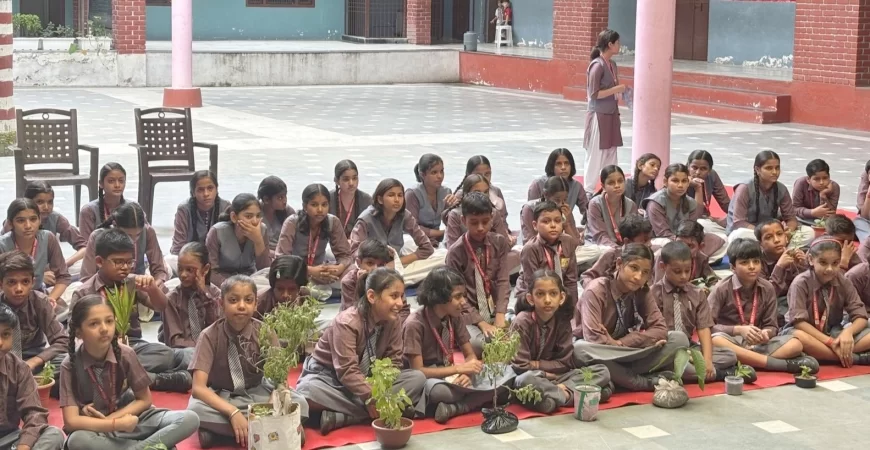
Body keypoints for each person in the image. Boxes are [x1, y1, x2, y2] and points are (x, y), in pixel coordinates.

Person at [296, 268, 426, 435]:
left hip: (371, 379)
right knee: (307, 392)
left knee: (417, 378)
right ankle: (384, 409)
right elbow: (347, 370)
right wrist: (370, 396)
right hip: (330, 378)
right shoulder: (347, 322)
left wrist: (377, 390)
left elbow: (394, 361)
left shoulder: (393, 320)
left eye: (401, 296)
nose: (400, 303)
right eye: (394, 296)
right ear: (371, 296)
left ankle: (344, 416)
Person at [61, 295, 199, 450]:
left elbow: (144, 400)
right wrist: (114, 425)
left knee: (189, 418)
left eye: (109, 321)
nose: (104, 328)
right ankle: (153, 446)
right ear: (78, 332)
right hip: (97, 429)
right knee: (77, 441)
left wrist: (116, 421)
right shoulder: (69, 365)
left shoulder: (125, 354)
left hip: (132, 420)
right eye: (94, 324)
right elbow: (71, 421)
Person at [187, 275, 308, 448]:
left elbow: (281, 380)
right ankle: (270, 429)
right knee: (195, 412)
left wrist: (276, 398)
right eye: (233, 300)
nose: (242, 306)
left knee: (301, 403)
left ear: (256, 304)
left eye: (248, 300)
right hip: (224, 396)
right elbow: (198, 388)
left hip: (258, 393)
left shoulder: (265, 331)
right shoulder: (208, 336)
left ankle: (220, 433)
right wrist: (232, 412)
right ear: (221, 304)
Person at [72, 229, 189, 393]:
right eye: (118, 262)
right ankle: (154, 379)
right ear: (99, 261)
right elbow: (74, 334)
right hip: (99, 348)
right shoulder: (84, 292)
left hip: (132, 344)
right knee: (78, 364)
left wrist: (152, 289)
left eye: (129, 262)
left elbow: (161, 307)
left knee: (166, 354)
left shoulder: (132, 282)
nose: (125, 267)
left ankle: (121, 377)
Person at [572, 244, 688, 392]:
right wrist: (644, 341)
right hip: (600, 353)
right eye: (634, 268)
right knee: (580, 350)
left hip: (627, 352)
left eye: (645, 272)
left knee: (679, 339)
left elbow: (660, 329)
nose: (638, 277)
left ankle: (618, 376)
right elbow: (593, 338)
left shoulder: (642, 291)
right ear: (619, 264)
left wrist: (621, 343)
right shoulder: (596, 290)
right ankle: (640, 382)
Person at [404, 267, 510, 424]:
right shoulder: (414, 324)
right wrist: (459, 369)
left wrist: (467, 374)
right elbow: (418, 371)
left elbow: (470, 355)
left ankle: (456, 408)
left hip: (453, 375)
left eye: (463, 296)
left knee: (506, 373)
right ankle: (475, 400)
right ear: (440, 297)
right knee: (440, 392)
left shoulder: (455, 316)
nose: (464, 302)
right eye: (458, 296)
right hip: (431, 379)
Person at [708, 239, 819, 373]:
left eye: (756, 261)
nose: (752, 266)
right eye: (744, 263)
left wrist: (766, 333)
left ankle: (747, 359)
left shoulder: (767, 287)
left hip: (757, 344)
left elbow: (772, 326)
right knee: (716, 341)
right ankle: (780, 365)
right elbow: (708, 327)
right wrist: (738, 330)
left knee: (795, 344)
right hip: (731, 340)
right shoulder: (721, 289)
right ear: (732, 267)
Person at [513, 269, 611, 412]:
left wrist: (537, 364)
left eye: (553, 293)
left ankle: (556, 397)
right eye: (540, 294)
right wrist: (545, 374)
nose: (547, 300)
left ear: (561, 297)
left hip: (559, 377)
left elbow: (564, 363)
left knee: (602, 371)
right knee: (523, 381)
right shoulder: (522, 321)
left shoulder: (563, 320)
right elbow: (520, 366)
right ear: (530, 298)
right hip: (534, 377)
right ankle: (575, 396)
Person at [650, 242, 746, 384]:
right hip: (664, 347)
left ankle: (694, 369)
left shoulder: (697, 293)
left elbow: (703, 328)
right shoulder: (653, 293)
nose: (683, 276)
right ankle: (722, 374)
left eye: (687, 270)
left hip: (689, 347)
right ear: (663, 266)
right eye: (677, 271)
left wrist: (707, 360)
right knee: (678, 365)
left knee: (730, 355)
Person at [785, 237, 870, 367]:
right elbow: (799, 323)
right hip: (808, 333)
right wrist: (830, 342)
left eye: (835, 263)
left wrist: (848, 332)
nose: (830, 269)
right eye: (823, 263)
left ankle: (827, 354)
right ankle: (855, 358)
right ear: (811, 260)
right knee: (798, 339)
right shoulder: (800, 283)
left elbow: (861, 316)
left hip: (834, 332)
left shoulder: (843, 281)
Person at [446, 192, 512, 358]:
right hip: (466, 315)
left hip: (494, 310)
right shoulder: (455, 252)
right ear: (463, 221)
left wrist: (500, 315)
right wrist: (481, 323)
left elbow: (503, 281)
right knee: (480, 344)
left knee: (523, 329)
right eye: (474, 223)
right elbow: (458, 297)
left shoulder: (499, 242)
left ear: (492, 218)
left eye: (485, 221)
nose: (481, 227)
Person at [349, 178, 438, 285]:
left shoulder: (404, 215)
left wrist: (396, 263)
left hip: (397, 261)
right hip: (372, 267)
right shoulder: (366, 219)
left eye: (400, 195)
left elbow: (427, 248)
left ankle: (395, 278)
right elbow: (355, 254)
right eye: (391, 195)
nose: (397, 200)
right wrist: (376, 267)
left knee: (442, 257)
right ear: (380, 199)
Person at [0, 303, 64, 450]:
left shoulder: (19, 368)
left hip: (9, 438)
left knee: (53, 435)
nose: (0, 342)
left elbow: (34, 413)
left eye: (6, 334)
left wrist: (24, 446)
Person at [0, 251, 68, 379]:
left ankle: (33, 381)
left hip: (34, 361)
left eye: (25, 282)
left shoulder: (40, 302)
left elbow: (62, 341)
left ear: (33, 282)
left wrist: (34, 361)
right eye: (11, 282)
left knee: (69, 361)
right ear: (1, 284)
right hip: (3, 361)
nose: (19, 288)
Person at [726, 150, 813, 248]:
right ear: (757, 169)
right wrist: (764, 233)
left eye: (777, 168)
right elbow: (739, 222)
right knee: (740, 234)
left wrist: (788, 231)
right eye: (769, 168)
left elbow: (791, 218)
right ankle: (775, 248)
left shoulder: (781, 189)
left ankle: (778, 250)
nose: (775, 172)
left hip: (773, 234)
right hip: (751, 233)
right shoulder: (744, 188)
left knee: (808, 232)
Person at [643, 163, 727, 262]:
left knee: (721, 239)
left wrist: (692, 242)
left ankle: (689, 259)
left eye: (684, 181)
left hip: (685, 241)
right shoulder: (655, 202)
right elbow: (663, 233)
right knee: (666, 244)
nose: (680, 185)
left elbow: (692, 228)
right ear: (665, 181)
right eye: (675, 181)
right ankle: (689, 258)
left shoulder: (690, 202)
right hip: (661, 240)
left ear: (688, 182)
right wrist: (685, 243)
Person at [160, 242, 221, 372]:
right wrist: (201, 348)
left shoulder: (216, 295)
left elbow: (218, 331)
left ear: (205, 269)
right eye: (180, 268)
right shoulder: (172, 298)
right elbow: (174, 341)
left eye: (189, 270)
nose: (183, 274)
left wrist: (205, 297)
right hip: (184, 353)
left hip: (213, 351)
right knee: (188, 356)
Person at [276, 183, 352, 287]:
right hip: (296, 271)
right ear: (304, 206)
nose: (320, 210)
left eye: (324, 205)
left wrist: (339, 268)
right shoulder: (292, 222)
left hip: (321, 272)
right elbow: (282, 259)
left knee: (353, 271)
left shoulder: (333, 221)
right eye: (314, 205)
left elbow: (345, 255)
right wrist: (309, 270)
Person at [3, 181, 86, 273]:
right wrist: (39, 276)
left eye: (50, 202)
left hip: (50, 270)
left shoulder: (56, 219)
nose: (46, 207)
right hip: (16, 272)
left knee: (85, 266)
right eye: (40, 202)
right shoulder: (13, 223)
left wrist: (63, 265)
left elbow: (84, 248)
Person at [0, 198, 70, 306]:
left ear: (40, 220)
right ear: (10, 223)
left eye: (33, 219)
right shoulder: (2, 245)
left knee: (77, 291)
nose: (28, 225)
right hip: (9, 299)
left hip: (38, 295)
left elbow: (63, 276)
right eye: (21, 221)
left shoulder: (48, 238)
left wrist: (50, 300)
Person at [515, 201, 580, 318]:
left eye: (558, 221)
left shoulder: (568, 242)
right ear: (535, 225)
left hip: (558, 294)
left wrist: (573, 310)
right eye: (546, 221)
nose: (553, 225)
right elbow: (531, 285)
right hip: (534, 296)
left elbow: (571, 280)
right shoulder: (530, 249)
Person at [80, 202, 168, 285]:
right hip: (105, 286)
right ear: (115, 225)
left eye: (138, 235)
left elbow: (159, 271)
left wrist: (155, 286)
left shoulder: (148, 231)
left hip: (138, 284)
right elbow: (87, 277)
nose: (133, 240)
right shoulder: (97, 236)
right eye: (128, 235)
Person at [583, 29, 624, 196]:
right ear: (610, 44)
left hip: (612, 113)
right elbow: (594, 94)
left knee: (611, 150)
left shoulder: (612, 65)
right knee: (596, 152)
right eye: (618, 43)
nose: (620, 46)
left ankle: (610, 185)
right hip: (598, 115)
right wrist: (616, 89)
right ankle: (589, 190)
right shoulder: (597, 66)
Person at [206, 194, 272, 286]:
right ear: (234, 217)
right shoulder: (217, 232)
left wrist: (258, 241)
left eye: (258, 216)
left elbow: (265, 269)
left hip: (251, 279)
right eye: (248, 216)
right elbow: (211, 271)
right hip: (224, 281)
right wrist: (231, 286)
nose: (255, 221)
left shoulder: (262, 230)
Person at [754, 219, 808, 323]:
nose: (776, 240)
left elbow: (806, 289)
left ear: (786, 237)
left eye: (779, 234)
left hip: (794, 300)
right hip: (773, 303)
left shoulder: (794, 255)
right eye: (769, 237)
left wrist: (803, 266)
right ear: (760, 244)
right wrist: (779, 267)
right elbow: (765, 297)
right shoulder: (757, 263)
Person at [581, 214, 653, 287]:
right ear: (627, 242)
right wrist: (595, 289)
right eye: (644, 240)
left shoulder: (649, 258)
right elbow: (587, 276)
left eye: (650, 240)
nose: (650, 244)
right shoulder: (611, 255)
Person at [169, 170, 229, 257]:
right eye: (200, 190)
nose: (206, 194)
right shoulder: (184, 210)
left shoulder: (225, 207)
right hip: (190, 259)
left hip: (218, 258)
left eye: (210, 188)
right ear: (193, 192)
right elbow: (178, 247)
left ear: (216, 189)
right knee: (170, 259)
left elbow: (229, 244)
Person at [404, 154, 458, 248]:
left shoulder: (446, 192)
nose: (440, 176)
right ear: (422, 175)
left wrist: (454, 207)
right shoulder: (412, 194)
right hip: (413, 239)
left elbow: (450, 221)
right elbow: (411, 227)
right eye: (434, 172)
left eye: (441, 171)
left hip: (437, 239)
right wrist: (440, 233)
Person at [584, 165, 637, 247]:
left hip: (623, 246)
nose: (617, 185)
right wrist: (616, 248)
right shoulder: (595, 204)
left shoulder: (631, 205)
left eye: (620, 181)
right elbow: (599, 235)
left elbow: (634, 233)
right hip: (598, 246)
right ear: (603, 186)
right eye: (611, 183)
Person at [527, 149, 589, 220]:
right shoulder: (538, 184)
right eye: (558, 164)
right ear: (551, 166)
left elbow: (588, 212)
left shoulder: (576, 186)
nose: (563, 167)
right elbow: (531, 212)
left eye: (567, 163)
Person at [79, 162, 130, 240]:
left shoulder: (133, 208)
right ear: (101, 184)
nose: (117, 185)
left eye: (121, 181)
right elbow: (85, 244)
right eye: (111, 181)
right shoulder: (88, 211)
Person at [340, 240, 394, 312]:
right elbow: (352, 313)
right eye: (370, 263)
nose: (375, 269)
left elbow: (403, 310)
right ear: (359, 263)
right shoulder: (349, 281)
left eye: (380, 265)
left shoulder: (389, 279)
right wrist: (361, 285)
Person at [686, 150, 730, 231]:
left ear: (709, 170)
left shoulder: (712, 175)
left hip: (707, 220)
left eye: (703, 169)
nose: (698, 172)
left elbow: (726, 204)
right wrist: (697, 187)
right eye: (694, 168)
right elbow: (696, 216)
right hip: (686, 221)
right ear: (688, 167)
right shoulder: (681, 179)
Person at [330, 160, 373, 239]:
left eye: (354, 178)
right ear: (337, 181)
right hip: (332, 243)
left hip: (358, 244)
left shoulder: (367, 200)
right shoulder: (328, 199)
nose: (351, 183)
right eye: (346, 179)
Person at [792, 159, 839, 226]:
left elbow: (831, 213)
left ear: (829, 177)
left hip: (824, 222)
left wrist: (823, 195)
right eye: (817, 179)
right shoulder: (800, 183)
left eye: (825, 178)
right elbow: (794, 209)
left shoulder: (834, 186)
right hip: (802, 219)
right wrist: (812, 212)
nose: (821, 182)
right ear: (808, 180)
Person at [257, 176, 296, 254]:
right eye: (280, 198)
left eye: (285, 196)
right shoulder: (254, 213)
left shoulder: (288, 212)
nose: (285, 201)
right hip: (259, 254)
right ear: (266, 199)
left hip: (283, 254)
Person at [854, 159, 870, 242]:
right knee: (858, 222)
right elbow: (864, 215)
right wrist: (868, 196)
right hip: (867, 220)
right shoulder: (866, 174)